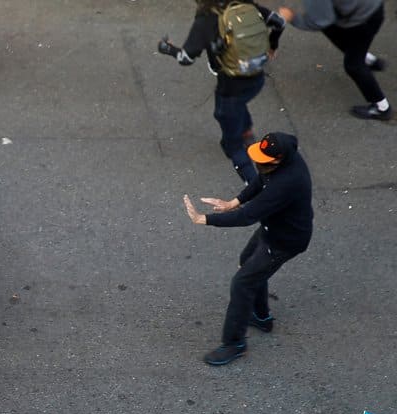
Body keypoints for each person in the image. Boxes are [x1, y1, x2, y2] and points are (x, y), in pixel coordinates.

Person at [183, 132, 313, 366]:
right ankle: (261, 316)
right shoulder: (280, 164)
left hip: (284, 241)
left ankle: (234, 343)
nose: (257, 163)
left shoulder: (287, 183)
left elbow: (247, 216)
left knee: (242, 283)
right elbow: (261, 182)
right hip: (274, 227)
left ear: (277, 160)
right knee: (248, 262)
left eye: (262, 160)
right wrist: (235, 200)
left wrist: (204, 219)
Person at [158, 0, 285, 184]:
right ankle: (246, 132)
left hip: (231, 86)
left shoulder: (207, 19)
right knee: (227, 110)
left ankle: (257, 187)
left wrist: (167, 48)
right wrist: (273, 45)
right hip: (256, 79)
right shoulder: (246, 6)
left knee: (233, 144)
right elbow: (279, 22)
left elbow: (186, 58)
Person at [277, 0, 390, 120]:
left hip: (361, 21)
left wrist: (292, 18)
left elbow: (320, 21)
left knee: (353, 66)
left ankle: (382, 108)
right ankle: (369, 60)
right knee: (334, 31)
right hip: (373, 8)